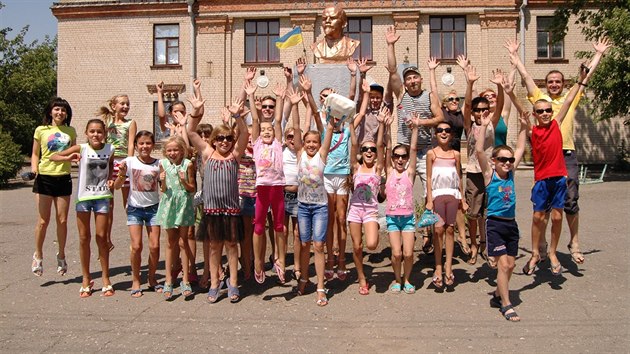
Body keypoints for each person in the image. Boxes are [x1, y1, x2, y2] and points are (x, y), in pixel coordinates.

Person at [506, 38, 612, 265]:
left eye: (558, 81)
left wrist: (598, 55)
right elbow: (525, 77)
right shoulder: (541, 101)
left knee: (570, 202)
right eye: (551, 81)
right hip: (546, 158)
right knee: (542, 207)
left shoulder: (568, 101)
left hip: (567, 154)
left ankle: (574, 243)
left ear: (563, 83)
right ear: (546, 84)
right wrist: (515, 57)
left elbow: (585, 79)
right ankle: (541, 245)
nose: (554, 84)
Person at [522, 64, 588, 276]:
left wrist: (581, 78)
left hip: (562, 168)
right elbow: (524, 86)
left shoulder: (556, 123)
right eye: (540, 110)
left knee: (564, 209)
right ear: (535, 113)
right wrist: (509, 83)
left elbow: (569, 100)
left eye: (547, 110)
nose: (545, 113)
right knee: (539, 216)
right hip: (542, 178)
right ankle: (537, 251)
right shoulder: (534, 128)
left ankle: (557, 249)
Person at [386, 25, 444, 252]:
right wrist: (390, 45)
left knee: (430, 193)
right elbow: (392, 71)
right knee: (402, 193)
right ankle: (403, 231)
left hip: (424, 151)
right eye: (408, 78)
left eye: (414, 77)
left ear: (420, 79)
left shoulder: (429, 96)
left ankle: (428, 233)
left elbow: (439, 118)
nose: (411, 81)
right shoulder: (401, 94)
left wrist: (422, 123)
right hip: (403, 152)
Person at [188, 97, 249, 303]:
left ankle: (233, 282)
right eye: (220, 138)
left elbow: (246, 134)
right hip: (212, 211)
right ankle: (214, 283)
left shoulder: (235, 156)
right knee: (214, 247)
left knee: (232, 245)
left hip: (231, 211)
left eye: (228, 138)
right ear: (213, 140)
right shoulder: (207, 154)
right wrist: (196, 112)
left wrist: (238, 116)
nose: (225, 141)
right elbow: (191, 132)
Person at [50, 119, 115, 298]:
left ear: (104, 133)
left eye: (99, 131)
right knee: (84, 238)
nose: (96, 135)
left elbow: (110, 166)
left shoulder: (110, 149)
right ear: (86, 133)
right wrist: (68, 157)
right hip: (84, 198)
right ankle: (86, 278)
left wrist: (110, 178)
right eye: (92, 131)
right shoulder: (81, 148)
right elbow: (52, 156)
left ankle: (105, 278)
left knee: (101, 237)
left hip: (102, 197)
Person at [477, 109, 529, 322]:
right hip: (495, 224)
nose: (507, 163)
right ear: (494, 161)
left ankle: (498, 293)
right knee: (504, 265)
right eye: (502, 160)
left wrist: (525, 126)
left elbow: (520, 147)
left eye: (509, 160)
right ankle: (506, 304)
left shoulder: (511, 175)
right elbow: (480, 150)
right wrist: (483, 126)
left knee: (512, 264)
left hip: (511, 224)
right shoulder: (490, 176)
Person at [458, 59, 505, 266]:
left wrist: (499, 87)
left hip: (491, 174)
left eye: (484, 109)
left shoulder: (492, 123)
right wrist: (469, 84)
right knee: (474, 213)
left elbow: (501, 105)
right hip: (474, 173)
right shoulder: (469, 126)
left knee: (490, 211)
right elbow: (466, 106)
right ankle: (475, 243)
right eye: (478, 110)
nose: (481, 112)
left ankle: (487, 243)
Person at [245, 81, 288, 285]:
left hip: (277, 188)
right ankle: (259, 263)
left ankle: (279, 259)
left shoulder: (278, 142)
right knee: (259, 227)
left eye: (269, 129)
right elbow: (254, 119)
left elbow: (278, 120)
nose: (267, 131)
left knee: (279, 226)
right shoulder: (257, 143)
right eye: (263, 130)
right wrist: (252, 97)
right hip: (262, 189)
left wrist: (280, 97)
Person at [427, 56, 469, 256]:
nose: (454, 101)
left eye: (456, 99)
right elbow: (434, 93)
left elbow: (469, 101)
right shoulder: (442, 115)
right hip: (438, 159)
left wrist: (466, 74)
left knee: (457, 198)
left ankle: (461, 236)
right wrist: (432, 71)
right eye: (450, 99)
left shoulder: (461, 115)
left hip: (454, 159)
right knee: (433, 199)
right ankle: (430, 235)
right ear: (445, 103)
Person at [30, 97, 77, 277]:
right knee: (43, 221)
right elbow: (35, 153)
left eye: (63, 110)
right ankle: (38, 255)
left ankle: (61, 255)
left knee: (62, 220)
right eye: (57, 109)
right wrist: (35, 170)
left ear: (67, 114)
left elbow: (74, 153)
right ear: (50, 112)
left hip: (63, 178)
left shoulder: (70, 131)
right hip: (44, 178)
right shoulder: (41, 130)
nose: (60, 113)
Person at [112, 131, 161, 297]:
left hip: (154, 209)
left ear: (153, 145)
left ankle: (152, 278)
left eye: (148, 143)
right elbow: (118, 186)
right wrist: (120, 173)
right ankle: (135, 280)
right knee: (136, 246)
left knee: (154, 246)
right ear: (136, 145)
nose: (144, 146)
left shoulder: (159, 164)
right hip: (135, 209)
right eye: (141, 143)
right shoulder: (129, 162)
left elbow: (164, 187)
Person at [347, 86, 383, 295]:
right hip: (354, 212)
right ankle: (361, 277)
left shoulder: (377, 168)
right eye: (365, 149)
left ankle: (374, 229)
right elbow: (353, 143)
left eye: (371, 149)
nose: (369, 151)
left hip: (369, 211)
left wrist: (383, 127)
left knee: (370, 245)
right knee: (358, 246)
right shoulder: (356, 167)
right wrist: (351, 123)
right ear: (361, 153)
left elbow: (379, 142)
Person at [426, 121, 467, 288]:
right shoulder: (431, 154)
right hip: (436, 195)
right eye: (440, 130)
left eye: (447, 130)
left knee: (450, 229)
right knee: (437, 231)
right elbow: (428, 178)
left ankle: (448, 266)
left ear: (451, 134)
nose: (443, 133)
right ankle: (437, 267)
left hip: (452, 194)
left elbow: (459, 177)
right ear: (436, 134)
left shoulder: (455, 154)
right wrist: (429, 199)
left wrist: (463, 199)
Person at [156, 133, 196, 300]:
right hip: (169, 204)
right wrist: (162, 180)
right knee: (170, 242)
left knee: (183, 241)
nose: (172, 153)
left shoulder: (188, 164)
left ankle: (185, 279)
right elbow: (163, 190)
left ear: (182, 151)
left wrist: (184, 180)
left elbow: (192, 188)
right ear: (165, 152)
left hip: (183, 204)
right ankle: (168, 280)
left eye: (176, 150)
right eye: (169, 150)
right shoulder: (163, 164)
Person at [384, 109, 419, 294]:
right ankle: (397, 280)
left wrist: (415, 129)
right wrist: (387, 127)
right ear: (392, 159)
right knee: (396, 253)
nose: (400, 159)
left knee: (408, 253)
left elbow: (413, 149)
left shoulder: (409, 172)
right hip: (392, 218)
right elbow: (388, 147)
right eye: (397, 156)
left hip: (407, 218)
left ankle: (407, 280)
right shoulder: (389, 172)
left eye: (403, 156)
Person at [98, 94, 137, 254]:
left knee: (128, 203)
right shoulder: (107, 122)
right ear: (114, 106)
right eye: (122, 104)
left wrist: (128, 163)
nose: (126, 107)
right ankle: (107, 239)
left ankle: (134, 239)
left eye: (127, 104)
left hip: (123, 162)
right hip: (108, 162)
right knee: (109, 204)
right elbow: (101, 140)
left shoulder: (130, 123)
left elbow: (130, 144)